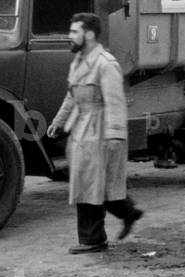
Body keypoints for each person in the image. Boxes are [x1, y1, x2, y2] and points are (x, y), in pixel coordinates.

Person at [46, 13, 143, 254]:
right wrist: (58, 123)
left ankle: (94, 240)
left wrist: (115, 136)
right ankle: (128, 213)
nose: (69, 36)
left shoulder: (106, 64)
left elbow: (116, 102)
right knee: (86, 183)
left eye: (74, 32)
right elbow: (72, 95)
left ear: (89, 34)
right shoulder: (79, 61)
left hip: (100, 130)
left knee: (94, 185)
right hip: (81, 129)